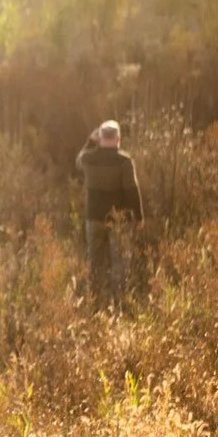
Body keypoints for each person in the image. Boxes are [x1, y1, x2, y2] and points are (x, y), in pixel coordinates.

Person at [75, 119, 143, 306]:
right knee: (119, 263)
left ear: (100, 138)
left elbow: (78, 159)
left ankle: (96, 303)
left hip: (93, 219)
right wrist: (138, 217)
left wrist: (90, 141)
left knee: (96, 263)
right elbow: (132, 190)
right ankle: (119, 304)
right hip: (118, 221)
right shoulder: (125, 161)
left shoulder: (88, 159)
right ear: (118, 139)